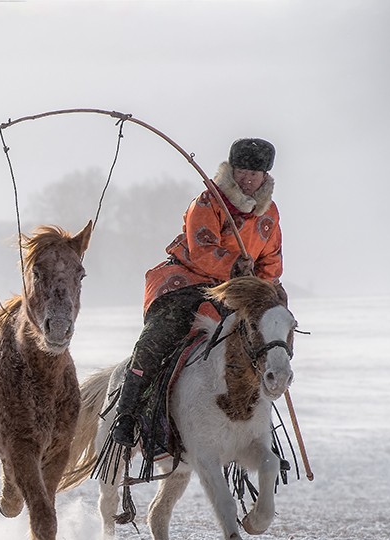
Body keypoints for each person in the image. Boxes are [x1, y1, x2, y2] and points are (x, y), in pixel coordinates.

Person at [110, 137, 286, 447]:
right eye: (242, 172)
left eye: (254, 174)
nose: (247, 179)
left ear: (264, 177)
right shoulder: (208, 203)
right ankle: (128, 413)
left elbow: (271, 262)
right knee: (158, 339)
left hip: (236, 294)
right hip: (186, 284)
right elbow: (202, 250)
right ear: (232, 171)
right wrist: (235, 265)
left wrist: (261, 287)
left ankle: (251, 427)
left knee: (263, 345)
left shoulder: (269, 215)